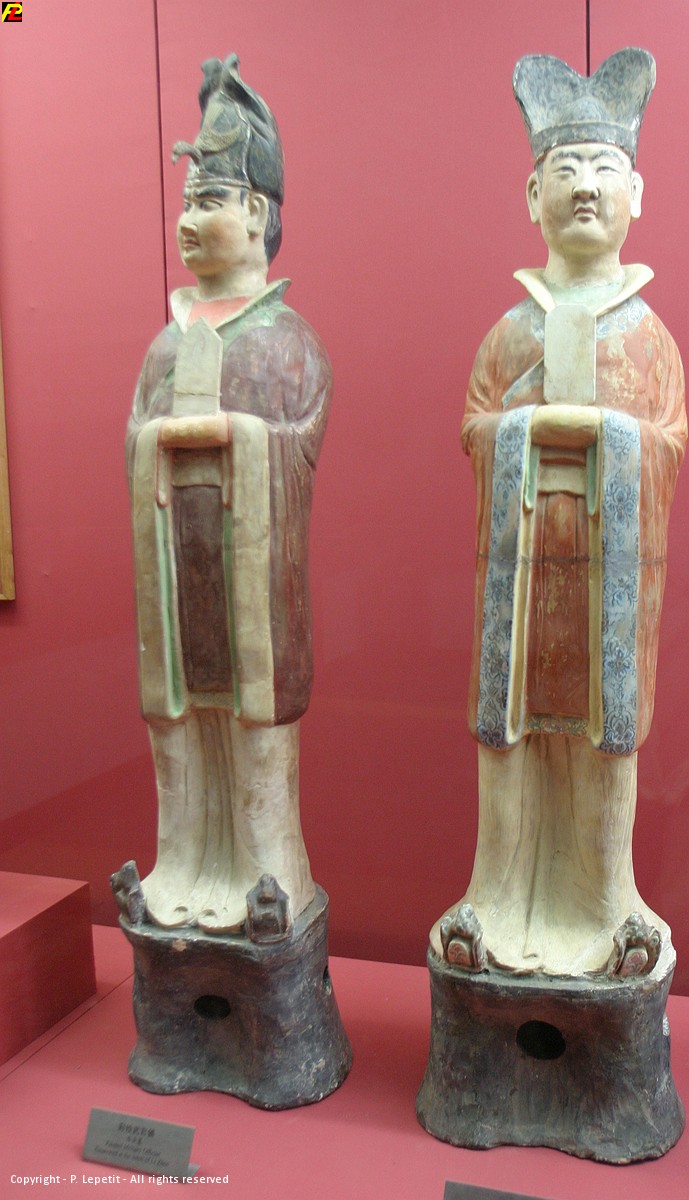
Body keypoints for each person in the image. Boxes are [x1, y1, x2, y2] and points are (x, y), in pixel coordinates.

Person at [431, 49, 687, 977]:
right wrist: (526, 431)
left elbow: (669, 440)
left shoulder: (649, 337)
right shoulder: (510, 333)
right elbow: (474, 428)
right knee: (513, 731)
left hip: (611, 577)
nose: (585, 188)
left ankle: (607, 898)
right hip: (524, 566)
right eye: (565, 170)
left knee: (603, 733)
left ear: (637, 193)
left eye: (604, 169)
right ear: (531, 193)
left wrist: (610, 436)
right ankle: (499, 893)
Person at [126, 55, 331, 935]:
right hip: (177, 580)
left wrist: (234, 440)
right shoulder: (165, 347)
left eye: (207, 201)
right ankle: (181, 870)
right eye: (185, 203)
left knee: (254, 736)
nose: (187, 221)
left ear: (255, 213)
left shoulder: (286, 341)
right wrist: (160, 447)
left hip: (253, 591)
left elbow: (298, 443)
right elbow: (135, 439)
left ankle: (267, 876)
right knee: (179, 727)